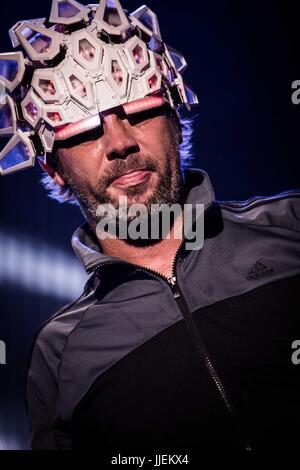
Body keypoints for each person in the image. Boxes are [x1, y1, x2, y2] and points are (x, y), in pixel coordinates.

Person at [0, 0, 299, 452]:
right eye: (82, 130)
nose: (120, 142)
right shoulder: (60, 357)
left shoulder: (292, 230)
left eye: (138, 109)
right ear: (54, 167)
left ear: (176, 119)